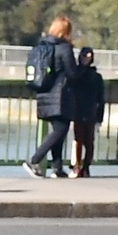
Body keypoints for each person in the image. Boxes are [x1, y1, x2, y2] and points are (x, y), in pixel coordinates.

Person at [25, 16, 77, 178]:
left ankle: (57, 167)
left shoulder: (43, 46)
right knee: (61, 129)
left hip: (44, 92)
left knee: (58, 130)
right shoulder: (64, 48)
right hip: (60, 95)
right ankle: (34, 160)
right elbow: (72, 73)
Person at [68, 45, 106, 178]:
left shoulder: (94, 77)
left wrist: (99, 116)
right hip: (80, 110)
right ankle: (78, 166)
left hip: (89, 111)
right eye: (85, 56)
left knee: (88, 141)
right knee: (79, 139)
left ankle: (85, 167)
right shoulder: (77, 75)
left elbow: (100, 99)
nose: (87, 59)